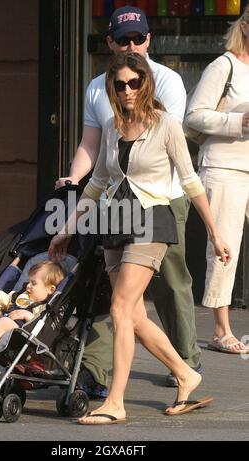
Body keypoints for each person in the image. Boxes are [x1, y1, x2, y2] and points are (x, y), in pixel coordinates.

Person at [49, 52, 231, 423]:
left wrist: (215, 232)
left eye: (135, 82)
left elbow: (190, 180)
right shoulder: (114, 127)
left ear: (145, 82)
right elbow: (98, 183)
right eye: (120, 85)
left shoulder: (165, 124)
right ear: (112, 89)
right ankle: (185, 373)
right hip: (117, 219)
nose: (128, 90)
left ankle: (115, 402)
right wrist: (66, 228)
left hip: (152, 219)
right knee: (131, 314)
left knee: (119, 308)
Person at [56, 5, 201, 389]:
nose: (132, 44)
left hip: (160, 202)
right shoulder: (96, 87)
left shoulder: (165, 80)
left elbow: (165, 142)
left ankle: (185, 362)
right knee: (116, 297)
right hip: (114, 207)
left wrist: (215, 232)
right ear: (110, 42)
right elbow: (94, 145)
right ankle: (97, 373)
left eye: (138, 37)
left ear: (149, 39)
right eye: (123, 39)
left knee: (170, 284)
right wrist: (74, 177)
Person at [184, 7, 249, 354]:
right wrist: (238, 122)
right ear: (246, 26)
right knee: (225, 248)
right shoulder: (224, 66)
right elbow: (194, 115)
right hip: (225, 166)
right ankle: (221, 329)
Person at [0, 261, 65, 361]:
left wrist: (28, 315)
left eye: (33, 283)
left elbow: (42, 328)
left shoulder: (44, 308)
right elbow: (6, 300)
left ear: (50, 289)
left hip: (15, 337)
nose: (28, 286)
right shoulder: (22, 296)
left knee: (5, 322)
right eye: (29, 281)